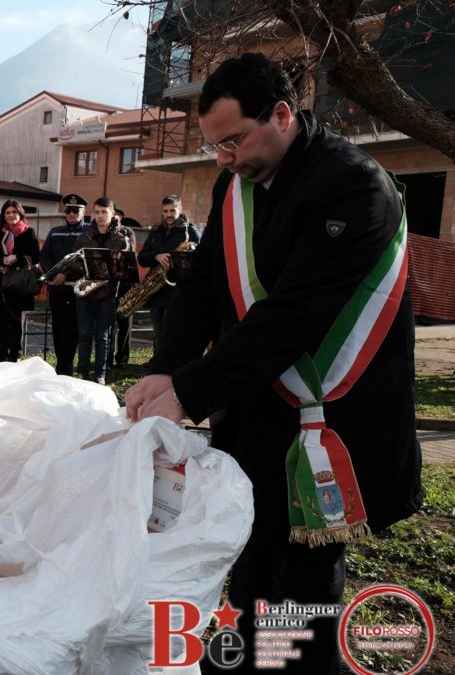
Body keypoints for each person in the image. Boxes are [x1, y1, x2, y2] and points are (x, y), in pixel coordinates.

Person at [124, 53, 423, 675]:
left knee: (307, 582)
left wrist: (188, 392)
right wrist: (168, 366)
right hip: (255, 405)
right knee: (253, 555)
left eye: (233, 140)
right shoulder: (238, 181)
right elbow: (205, 281)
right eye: (215, 146)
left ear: (282, 115)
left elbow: (294, 316)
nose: (223, 158)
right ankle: (248, 660)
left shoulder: (353, 184)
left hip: (329, 420)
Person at [72, 197, 132, 384]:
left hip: (107, 294)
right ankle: (82, 374)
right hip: (86, 294)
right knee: (84, 335)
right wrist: (86, 268)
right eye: (96, 212)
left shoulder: (121, 239)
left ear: (112, 214)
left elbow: (126, 269)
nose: (100, 216)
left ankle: (100, 376)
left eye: (104, 212)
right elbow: (73, 262)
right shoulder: (84, 237)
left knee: (103, 338)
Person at [136, 194, 200, 354]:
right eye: (165, 211)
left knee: (174, 332)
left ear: (180, 209)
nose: (169, 215)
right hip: (157, 290)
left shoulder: (191, 230)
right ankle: (157, 361)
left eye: (172, 210)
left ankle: (171, 364)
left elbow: (200, 260)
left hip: (177, 289)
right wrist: (156, 256)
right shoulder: (156, 230)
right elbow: (142, 257)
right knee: (158, 332)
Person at [39, 193, 89, 375]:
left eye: (76, 210)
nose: (72, 214)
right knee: (58, 327)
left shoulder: (89, 232)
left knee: (72, 328)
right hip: (57, 288)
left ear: (83, 212)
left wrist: (66, 273)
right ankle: (61, 363)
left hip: (76, 288)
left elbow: (86, 260)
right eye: (68, 210)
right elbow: (44, 256)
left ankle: (66, 366)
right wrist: (54, 274)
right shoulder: (55, 232)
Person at [0, 200, 40, 363]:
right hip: (1, 282)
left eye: (14, 212)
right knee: (1, 319)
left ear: (20, 213)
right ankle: (1, 355)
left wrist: (16, 259)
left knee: (15, 320)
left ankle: (13, 356)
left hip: (19, 283)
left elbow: (35, 256)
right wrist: (1, 260)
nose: (11, 215)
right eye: (8, 213)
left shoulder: (28, 232)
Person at [109, 207, 136, 366]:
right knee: (109, 322)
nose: (115, 219)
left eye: (117, 216)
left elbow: (130, 251)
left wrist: (118, 231)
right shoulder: (106, 232)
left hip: (125, 282)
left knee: (125, 321)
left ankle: (123, 357)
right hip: (110, 282)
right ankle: (108, 357)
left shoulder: (128, 232)